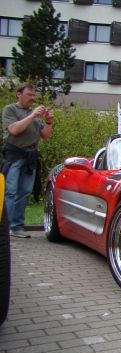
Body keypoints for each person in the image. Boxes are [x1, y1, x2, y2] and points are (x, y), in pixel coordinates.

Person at [2, 83, 53, 238]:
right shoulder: (10, 110)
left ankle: (17, 226)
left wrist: (49, 122)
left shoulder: (34, 114)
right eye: (29, 95)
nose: (32, 98)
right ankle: (6, 228)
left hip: (30, 156)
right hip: (14, 155)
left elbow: (45, 136)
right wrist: (31, 116)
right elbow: (14, 130)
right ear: (19, 94)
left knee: (24, 192)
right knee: (10, 191)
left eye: (33, 95)